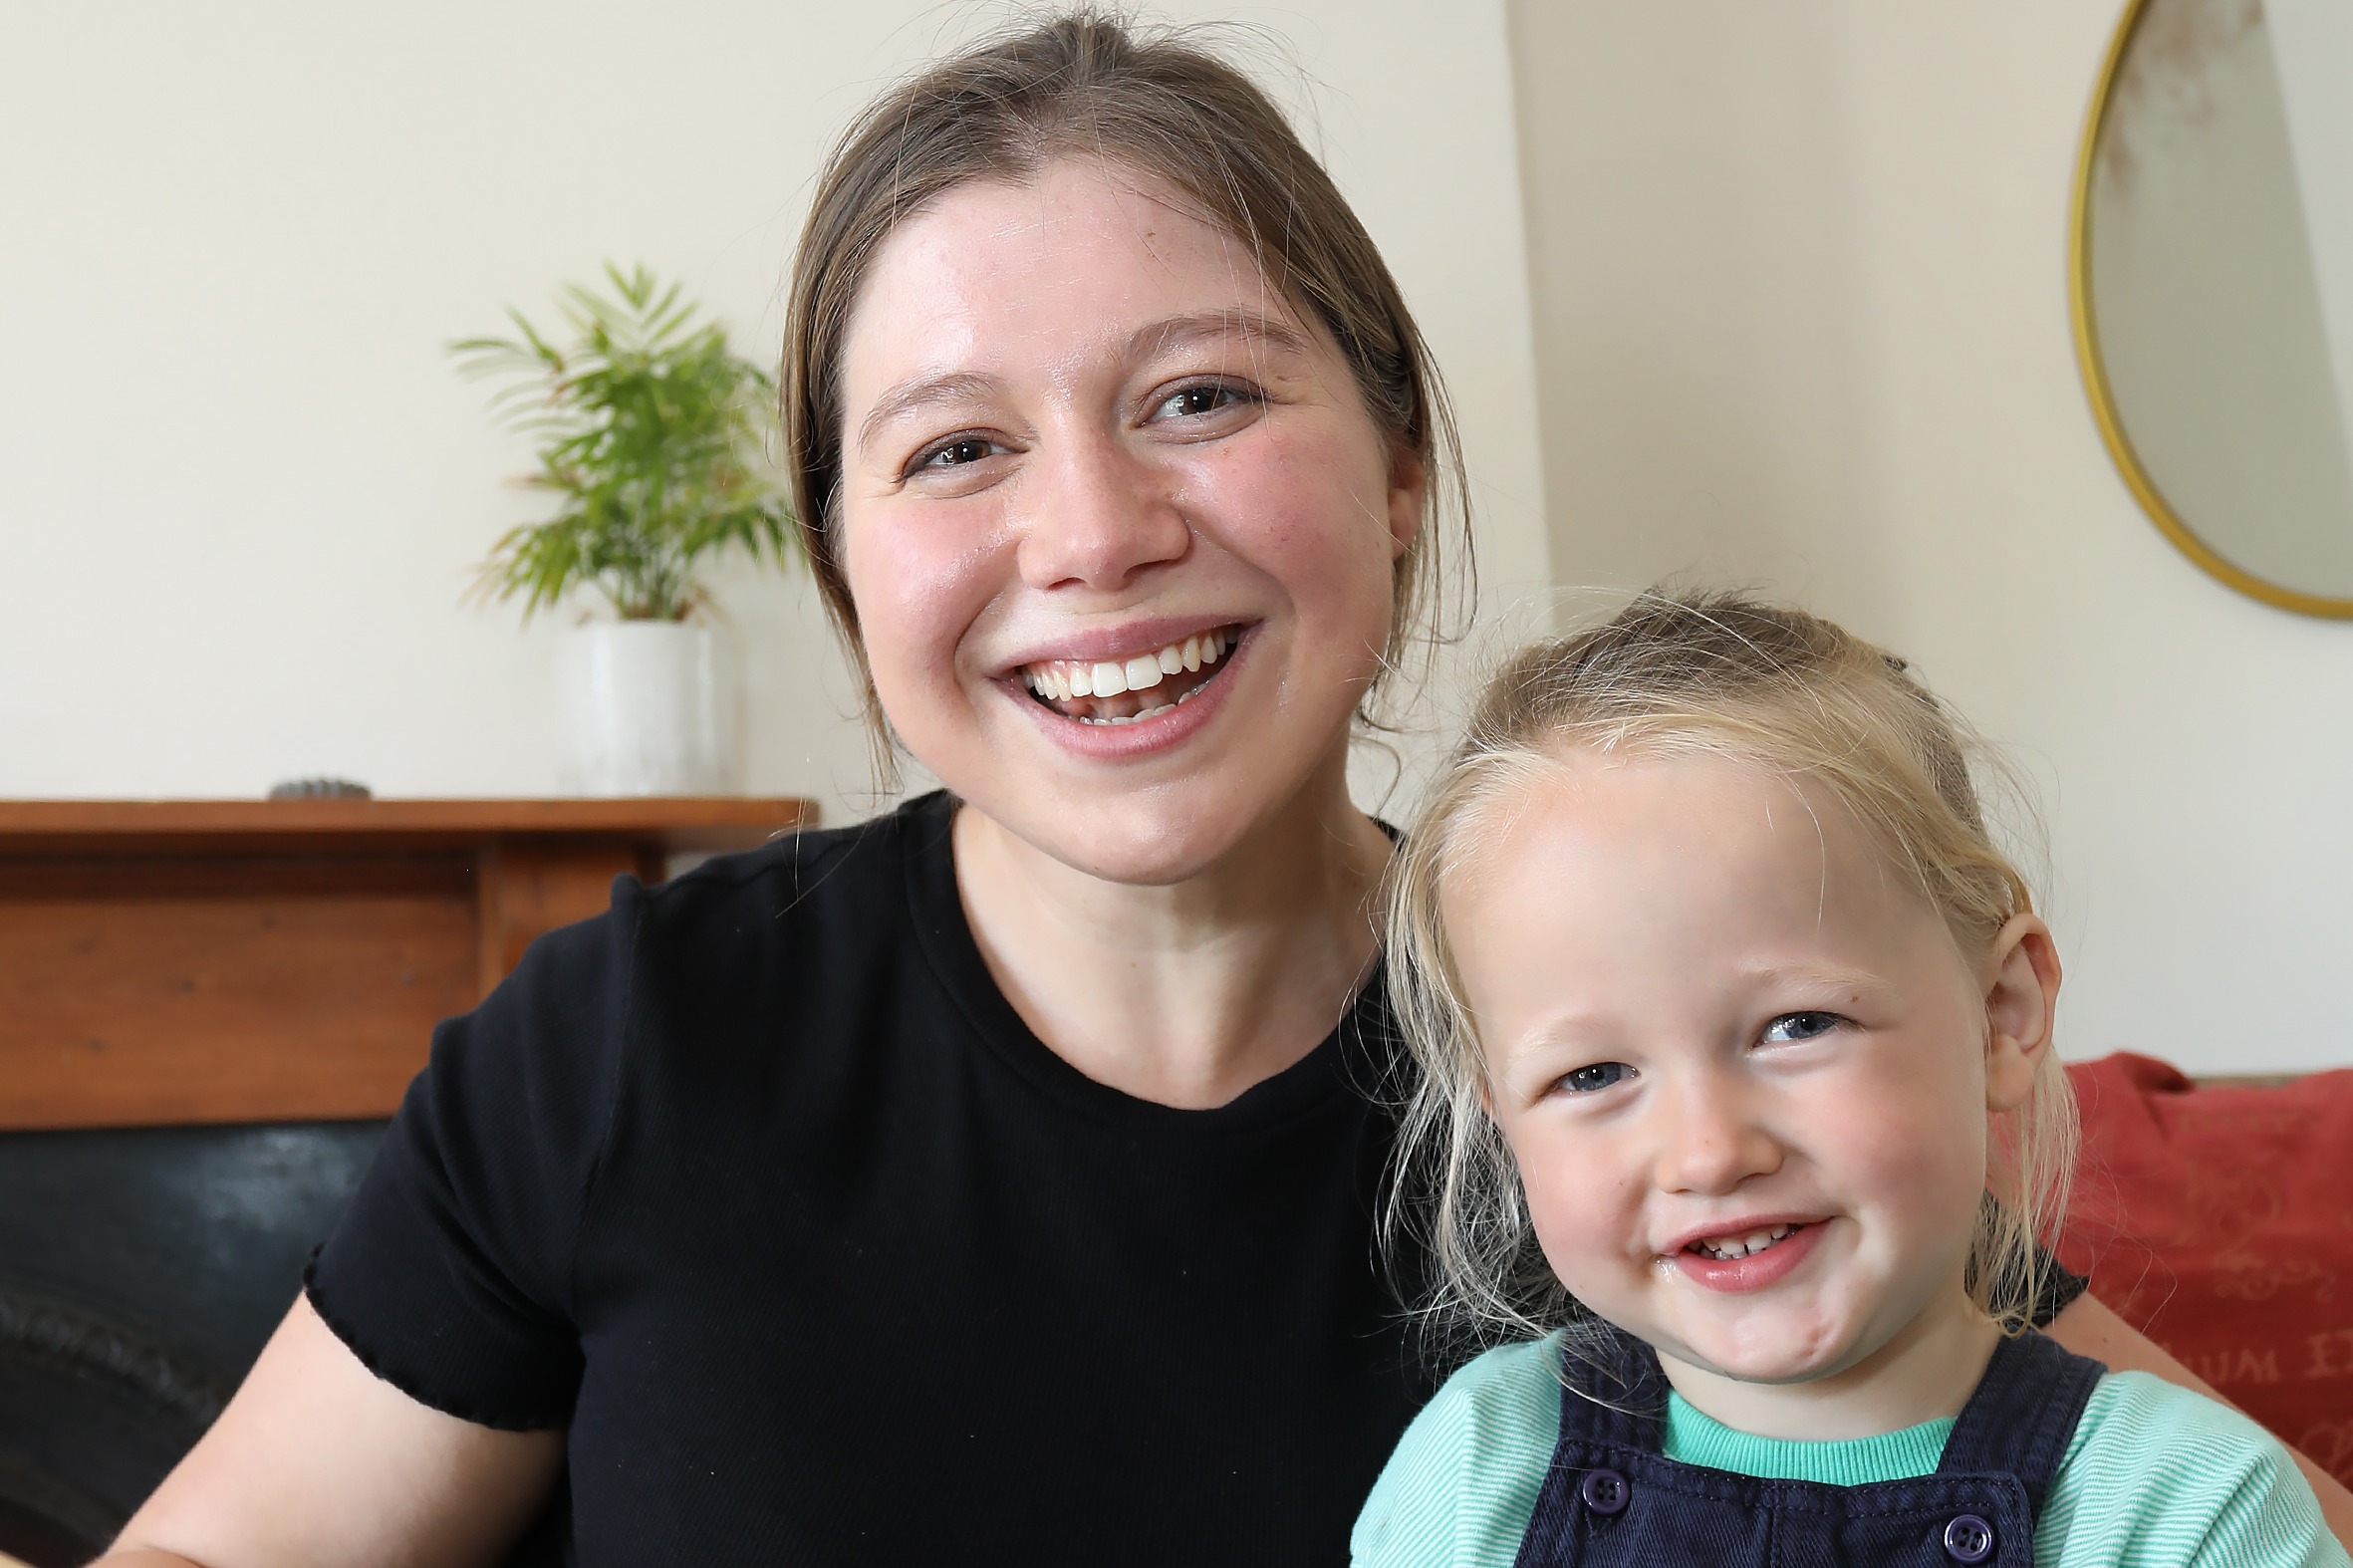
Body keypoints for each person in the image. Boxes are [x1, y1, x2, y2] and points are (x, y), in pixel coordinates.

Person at [102, 17, 2353, 1568]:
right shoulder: (629, 1044)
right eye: (956, 446)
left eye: (1193, 394)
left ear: (1393, 469)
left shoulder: (1644, 1042)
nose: (1086, 534)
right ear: (844, 563)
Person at [1355, 593, 2349, 1568]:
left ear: (1999, 1013)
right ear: (1500, 1115)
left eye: (1797, 1024)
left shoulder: (2192, 1513)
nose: (1708, 1150)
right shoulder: (1477, 1468)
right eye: (1593, 1072)